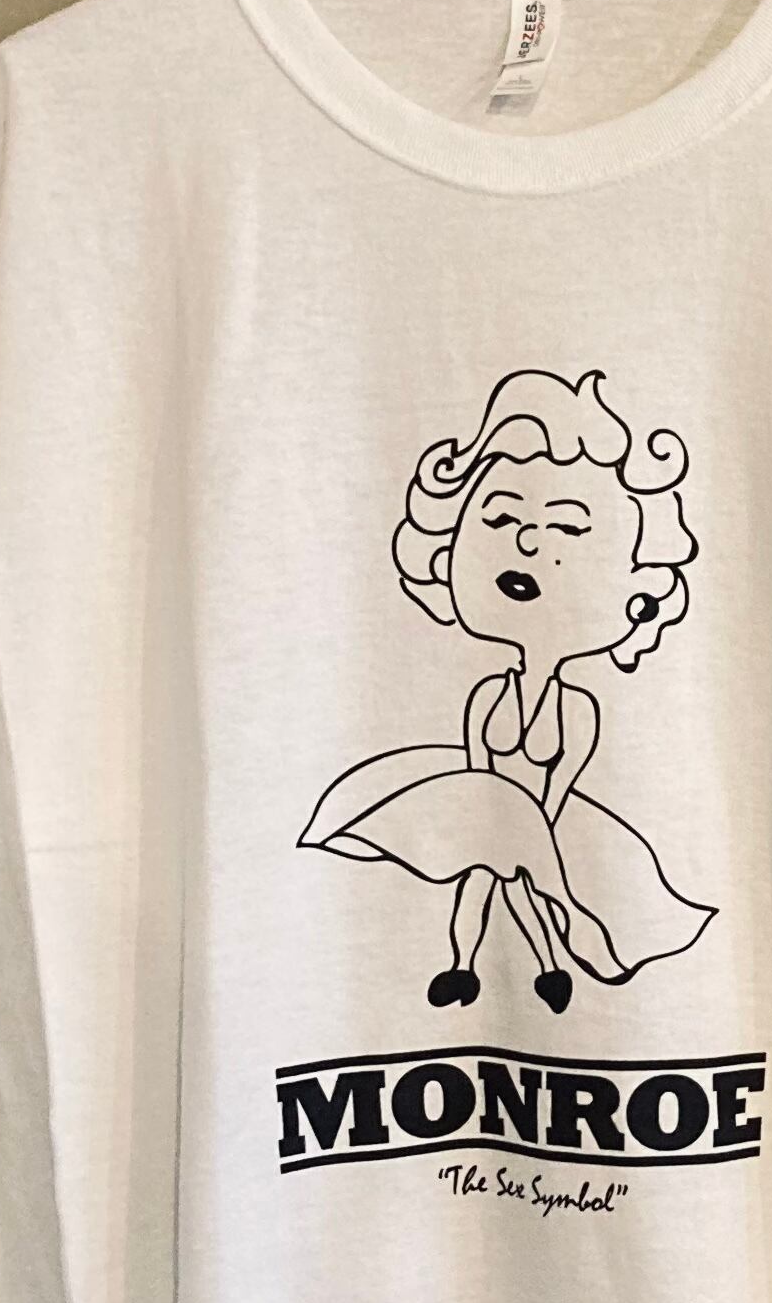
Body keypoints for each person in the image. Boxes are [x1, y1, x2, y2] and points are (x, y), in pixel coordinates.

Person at [301, 366, 712, 1011]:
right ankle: (483, 968)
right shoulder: (489, 695)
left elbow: (559, 785)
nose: (527, 541)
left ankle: (536, 967)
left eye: (568, 528)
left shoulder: (577, 709)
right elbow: (472, 775)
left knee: (517, 883)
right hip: (487, 817)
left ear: (638, 592)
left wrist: (527, 835)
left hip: (538, 822)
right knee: (479, 883)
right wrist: (489, 827)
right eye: (498, 519)